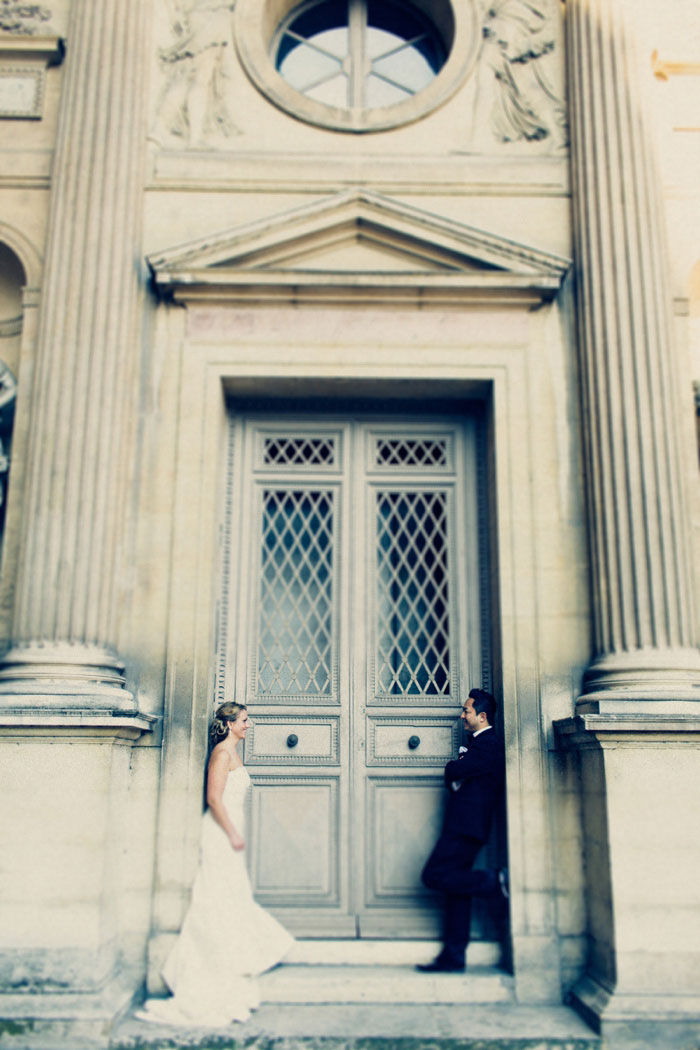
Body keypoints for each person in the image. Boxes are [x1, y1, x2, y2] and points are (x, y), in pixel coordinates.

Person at [138, 702, 293, 1026]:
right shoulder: (222, 754)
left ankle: (229, 959)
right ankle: (206, 971)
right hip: (221, 832)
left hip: (229, 831)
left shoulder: (232, 753)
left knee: (229, 899)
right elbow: (213, 798)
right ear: (231, 724)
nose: (249, 725)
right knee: (217, 899)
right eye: (245, 720)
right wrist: (233, 833)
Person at [416, 688, 507, 973]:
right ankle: (453, 957)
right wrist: (456, 770)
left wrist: (453, 768)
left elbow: (455, 772)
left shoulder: (489, 744)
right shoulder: (479, 744)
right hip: (464, 824)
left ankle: (494, 882)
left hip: (466, 827)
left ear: (481, 716)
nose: (462, 715)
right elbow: (458, 773)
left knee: (433, 876)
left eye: (466, 711)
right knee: (457, 889)